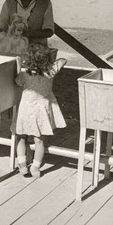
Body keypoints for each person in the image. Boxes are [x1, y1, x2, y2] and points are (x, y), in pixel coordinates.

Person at [12, 43, 67, 178]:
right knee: (39, 140)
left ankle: (22, 164)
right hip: (42, 110)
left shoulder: (25, 75)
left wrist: (19, 65)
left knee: (21, 137)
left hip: (26, 109)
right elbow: (64, 60)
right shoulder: (51, 72)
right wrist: (51, 63)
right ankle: (36, 167)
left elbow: (17, 81)